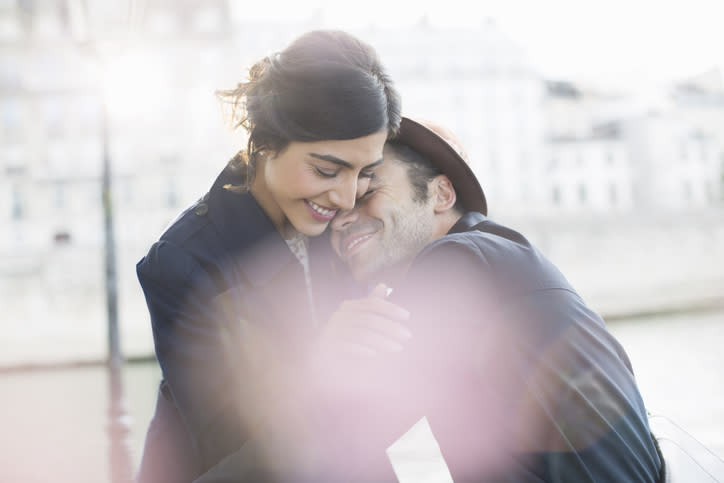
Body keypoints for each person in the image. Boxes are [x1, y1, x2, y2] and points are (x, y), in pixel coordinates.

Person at [325, 117, 666, 482]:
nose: (340, 221)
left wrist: (325, 345)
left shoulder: (455, 263)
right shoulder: (499, 256)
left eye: (367, 193)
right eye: (332, 210)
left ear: (441, 195)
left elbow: (343, 432)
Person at [134, 29, 401, 483]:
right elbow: (232, 448)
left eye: (365, 174)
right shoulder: (182, 263)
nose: (344, 196)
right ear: (266, 140)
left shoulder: (340, 222)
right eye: (326, 169)